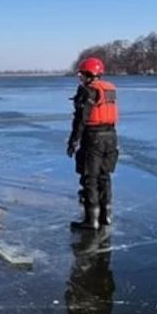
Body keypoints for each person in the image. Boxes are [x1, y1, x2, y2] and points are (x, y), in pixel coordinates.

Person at [66, 56, 119, 230]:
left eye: (81, 74)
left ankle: (91, 219)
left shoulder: (88, 91)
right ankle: (106, 215)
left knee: (90, 177)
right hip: (111, 137)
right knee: (105, 176)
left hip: (93, 138)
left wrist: (74, 140)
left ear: (89, 74)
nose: (80, 78)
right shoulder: (109, 89)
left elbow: (81, 118)